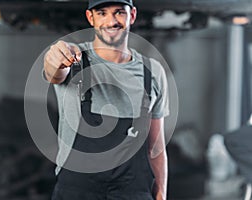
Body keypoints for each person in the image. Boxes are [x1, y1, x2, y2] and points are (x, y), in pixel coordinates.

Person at [43, 0, 170, 199]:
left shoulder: (153, 72)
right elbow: (55, 73)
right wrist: (56, 58)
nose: (111, 21)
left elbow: (156, 145)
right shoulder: (74, 60)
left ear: (132, 15)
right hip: (77, 192)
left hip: (132, 192)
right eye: (102, 13)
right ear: (90, 17)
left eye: (119, 12)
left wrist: (161, 191)